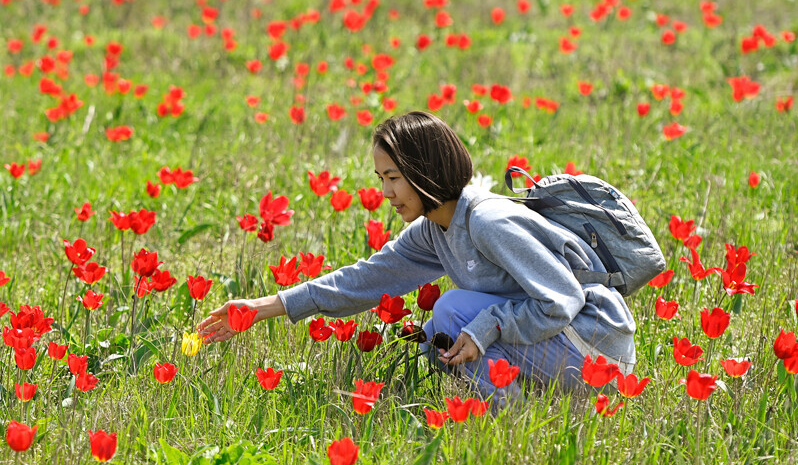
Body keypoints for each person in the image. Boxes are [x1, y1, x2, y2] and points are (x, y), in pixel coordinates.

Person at [197, 110, 637, 405]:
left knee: (451, 312)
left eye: (394, 178)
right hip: (564, 347)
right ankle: (519, 414)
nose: (385, 192)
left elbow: (562, 299)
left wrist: (487, 326)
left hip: (596, 347)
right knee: (433, 339)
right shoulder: (434, 230)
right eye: (381, 178)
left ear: (425, 174)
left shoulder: (488, 221)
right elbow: (365, 280)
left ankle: (514, 425)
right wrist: (261, 308)